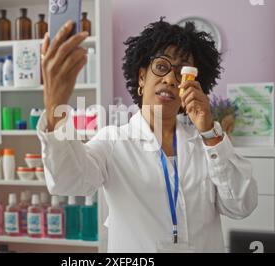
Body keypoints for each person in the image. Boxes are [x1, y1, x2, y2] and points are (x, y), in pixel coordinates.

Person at [37, 18, 257, 252]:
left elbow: (241, 205)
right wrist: (54, 105)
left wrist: (209, 131)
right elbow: (67, 181)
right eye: (162, 67)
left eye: (183, 73)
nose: (171, 79)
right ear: (142, 78)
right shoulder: (114, 142)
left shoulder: (209, 142)